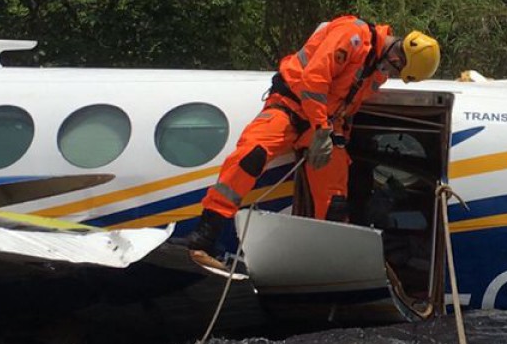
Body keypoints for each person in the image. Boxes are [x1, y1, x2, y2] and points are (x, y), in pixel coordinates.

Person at [185, 18, 440, 269]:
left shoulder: (377, 70)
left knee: (335, 198)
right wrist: (321, 129)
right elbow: (314, 80)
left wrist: (335, 136)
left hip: (324, 125)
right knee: (250, 156)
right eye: (396, 70)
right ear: (397, 57)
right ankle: (206, 235)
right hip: (290, 109)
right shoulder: (352, 35)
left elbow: (348, 106)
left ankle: (325, 262)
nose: (391, 75)